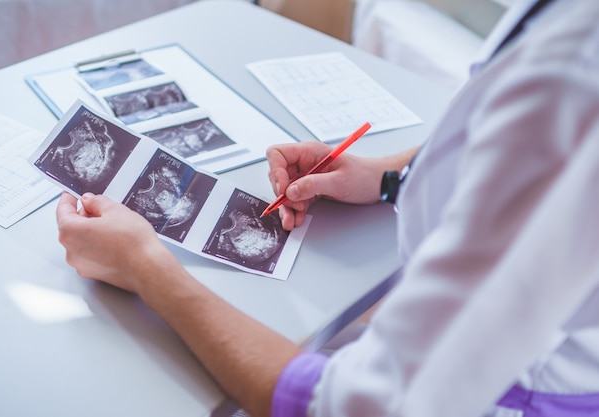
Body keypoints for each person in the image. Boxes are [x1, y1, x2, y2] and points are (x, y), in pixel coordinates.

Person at [55, 0, 599, 416]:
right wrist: (390, 176)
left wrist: (149, 270)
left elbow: (345, 405)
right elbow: (500, 153)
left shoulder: (571, 89)